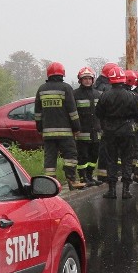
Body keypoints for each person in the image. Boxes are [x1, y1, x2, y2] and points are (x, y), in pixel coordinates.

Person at [34, 61, 85, 190]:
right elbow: (72, 111)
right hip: (65, 132)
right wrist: (77, 127)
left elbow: (38, 113)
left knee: (50, 158)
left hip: (48, 132)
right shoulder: (66, 88)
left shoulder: (41, 89)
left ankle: (50, 184)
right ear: (62, 74)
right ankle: (71, 180)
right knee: (70, 156)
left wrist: (40, 128)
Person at [95, 65, 138, 199]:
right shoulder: (131, 96)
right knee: (127, 160)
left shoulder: (104, 95)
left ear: (110, 80)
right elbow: (137, 115)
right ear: (123, 80)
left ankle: (112, 190)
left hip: (109, 132)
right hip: (127, 131)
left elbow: (98, 113)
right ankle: (126, 190)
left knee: (111, 161)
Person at [73, 66, 103, 187]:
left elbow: (102, 112)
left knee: (94, 156)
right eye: (84, 78)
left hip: (96, 132)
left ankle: (90, 176)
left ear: (93, 80)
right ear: (80, 80)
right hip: (82, 132)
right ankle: (83, 177)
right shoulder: (75, 94)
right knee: (82, 156)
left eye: (89, 78)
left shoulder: (98, 94)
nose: (87, 81)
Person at [94, 62, 117, 184]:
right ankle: (108, 174)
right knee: (109, 150)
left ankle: (102, 175)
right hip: (108, 123)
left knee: (103, 149)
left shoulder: (97, 85)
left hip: (100, 123)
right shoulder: (108, 87)